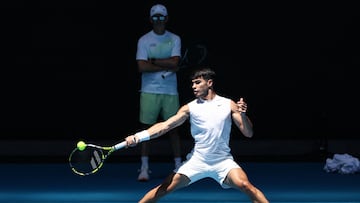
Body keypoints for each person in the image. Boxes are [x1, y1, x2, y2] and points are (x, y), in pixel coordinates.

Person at [125, 68, 270, 203]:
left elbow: (248, 133)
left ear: (209, 83)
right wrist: (139, 136)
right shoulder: (189, 108)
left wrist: (243, 115)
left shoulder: (228, 104)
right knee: (164, 189)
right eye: (192, 83)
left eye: (198, 82)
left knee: (246, 185)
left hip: (222, 161)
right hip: (197, 161)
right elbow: (165, 126)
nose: (193, 86)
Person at [135, 4, 182, 181]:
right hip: (149, 91)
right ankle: (144, 168)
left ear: (166, 18)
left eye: (161, 17)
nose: (158, 20)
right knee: (147, 131)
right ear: (150, 19)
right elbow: (141, 66)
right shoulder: (144, 40)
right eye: (155, 17)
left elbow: (175, 62)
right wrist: (165, 63)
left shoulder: (175, 39)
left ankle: (178, 166)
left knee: (173, 129)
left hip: (170, 91)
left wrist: (152, 62)